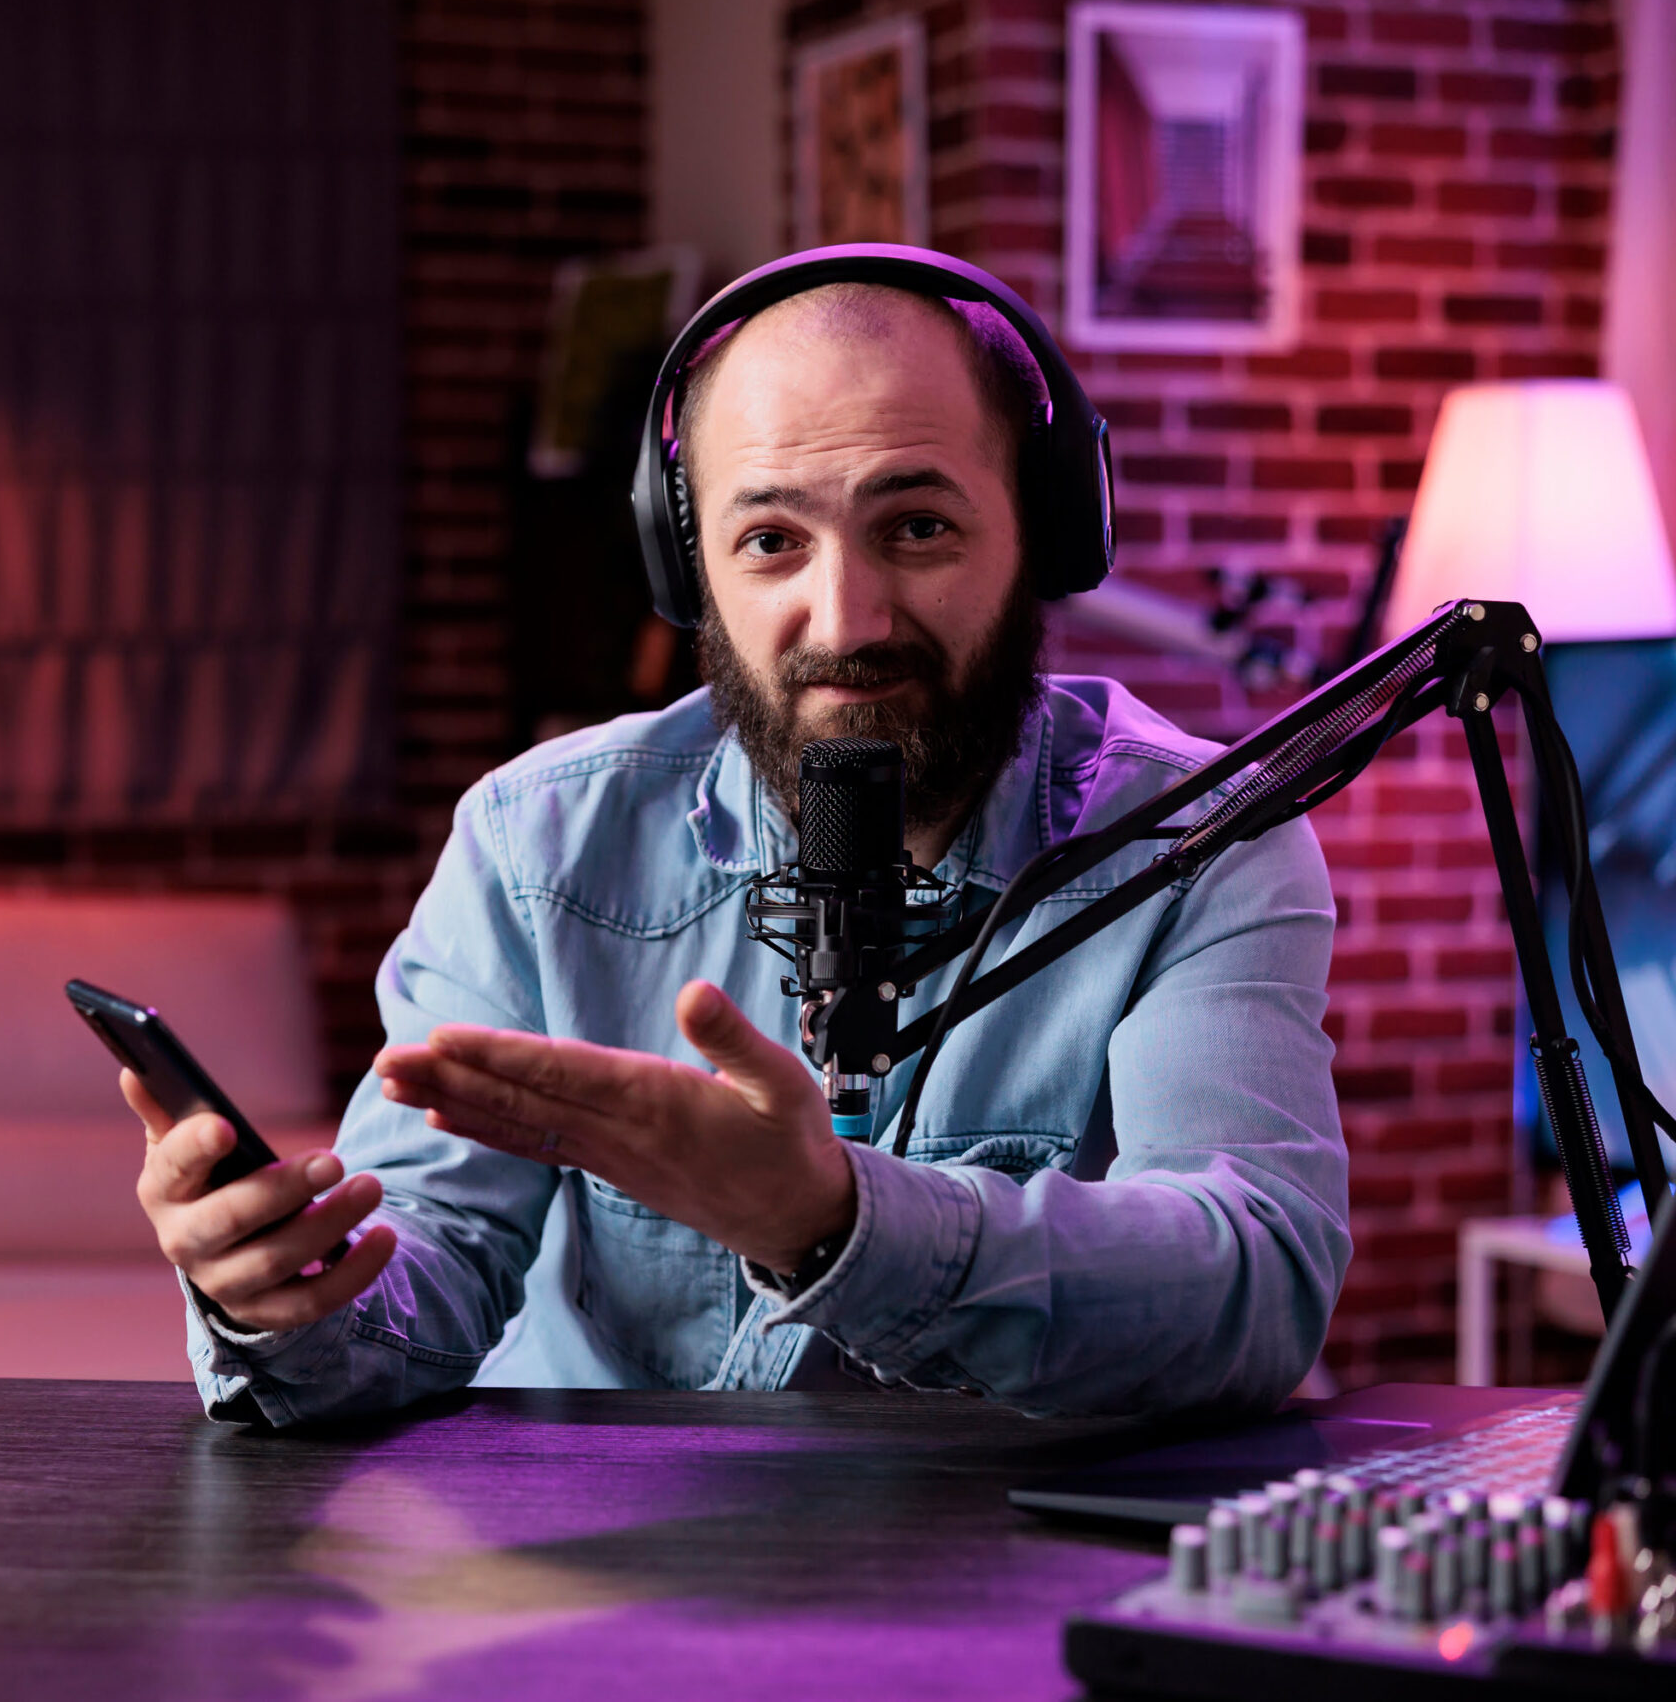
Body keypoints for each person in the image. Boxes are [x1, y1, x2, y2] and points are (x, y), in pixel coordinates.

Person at [123, 248, 1350, 1426]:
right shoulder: (539, 841)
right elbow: (422, 1271)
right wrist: (283, 1303)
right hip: (620, 1581)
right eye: (770, 541)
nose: (846, 619)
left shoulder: (1202, 845)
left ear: (1041, 532)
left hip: (1010, 1578)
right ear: (689, 565)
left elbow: (1254, 1281)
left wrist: (838, 1222)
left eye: (916, 526)